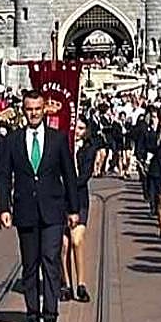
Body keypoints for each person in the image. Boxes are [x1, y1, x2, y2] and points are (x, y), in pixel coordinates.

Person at [0, 91, 80, 322]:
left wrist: (73, 209)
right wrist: (3, 207)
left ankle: (50, 314)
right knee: (30, 264)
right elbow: (4, 176)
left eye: (37, 108)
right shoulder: (13, 140)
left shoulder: (58, 139)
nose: (33, 113)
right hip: (25, 211)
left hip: (53, 210)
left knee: (50, 259)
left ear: (44, 110)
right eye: (29, 109)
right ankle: (32, 313)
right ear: (24, 111)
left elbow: (69, 175)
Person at [62, 120, 97, 303]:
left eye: (81, 129)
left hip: (79, 199)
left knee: (77, 240)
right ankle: (66, 284)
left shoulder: (88, 150)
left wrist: (69, 182)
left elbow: (85, 175)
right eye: (75, 127)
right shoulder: (63, 146)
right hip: (62, 200)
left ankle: (81, 284)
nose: (77, 131)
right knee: (64, 245)